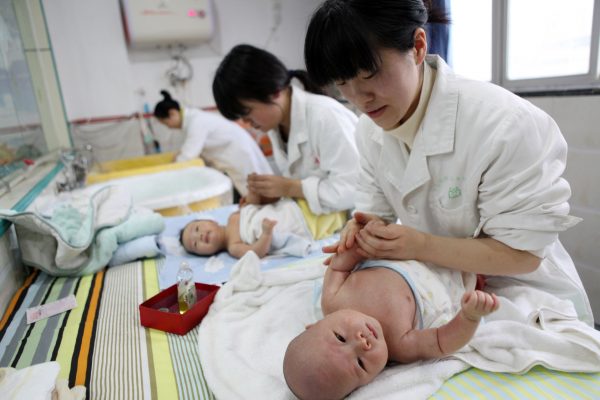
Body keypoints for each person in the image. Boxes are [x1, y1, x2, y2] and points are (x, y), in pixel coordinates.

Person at [304, 0, 594, 326]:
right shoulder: (368, 130)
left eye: (370, 74)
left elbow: (522, 256)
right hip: (443, 287)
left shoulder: (505, 124)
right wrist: (363, 229)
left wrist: (421, 245)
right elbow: (376, 213)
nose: (359, 98)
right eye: (343, 83)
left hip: (522, 294)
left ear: (418, 46)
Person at [283, 241, 499, 399]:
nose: (361, 342)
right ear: (368, 383)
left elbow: (340, 265)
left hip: (409, 245)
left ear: (316, 324)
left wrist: (358, 244)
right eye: (360, 363)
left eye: (340, 338)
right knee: (486, 257)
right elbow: (442, 341)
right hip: (455, 269)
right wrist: (469, 316)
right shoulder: (400, 345)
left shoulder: (332, 300)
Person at [212, 44, 359, 215]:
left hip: (356, 217)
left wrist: (290, 188)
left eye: (247, 112)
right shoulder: (277, 126)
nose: (245, 122)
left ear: (273, 92)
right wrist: (273, 195)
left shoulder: (325, 116)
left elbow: (352, 189)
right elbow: (302, 182)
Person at [153, 90, 273, 199]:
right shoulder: (193, 120)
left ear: (172, 113)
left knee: (258, 193)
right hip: (235, 157)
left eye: (165, 123)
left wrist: (168, 172)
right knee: (252, 193)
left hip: (240, 156)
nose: (168, 127)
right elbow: (188, 148)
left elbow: (188, 155)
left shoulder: (196, 122)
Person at [180, 198, 318, 259]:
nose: (199, 236)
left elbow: (255, 206)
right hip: (300, 224)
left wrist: (251, 198)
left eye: (196, 229)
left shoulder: (233, 216)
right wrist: (266, 234)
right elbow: (257, 252)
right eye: (195, 244)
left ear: (210, 220)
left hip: (292, 206)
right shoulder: (233, 247)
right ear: (206, 254)